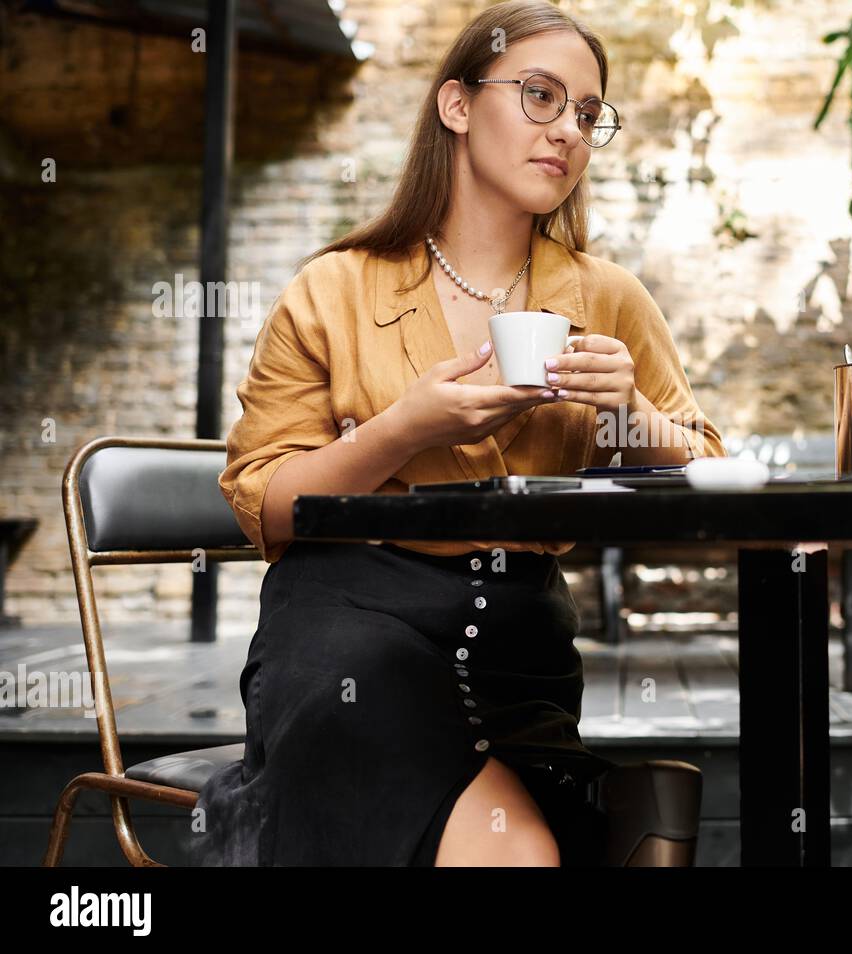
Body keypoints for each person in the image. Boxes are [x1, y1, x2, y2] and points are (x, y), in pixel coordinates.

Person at [188, 0, 726, 867]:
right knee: (517, 855)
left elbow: (714, 475)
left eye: (588, 115)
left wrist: (634, 417)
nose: (569, 132)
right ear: (458, 105)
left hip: (521, 652)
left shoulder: (608, 299)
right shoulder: (334, 289)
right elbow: (266, 509)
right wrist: (404, 429)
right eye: (542, 97)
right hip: (346, 630)